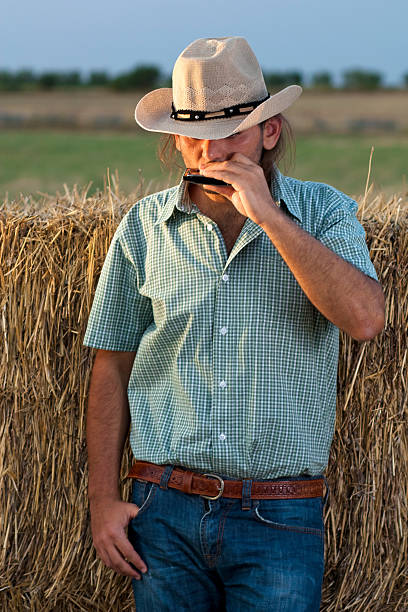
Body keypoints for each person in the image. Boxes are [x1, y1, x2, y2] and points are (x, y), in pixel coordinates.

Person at [83, 37, 385, 611]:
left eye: (233, 131)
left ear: (269, 132)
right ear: (176, 138)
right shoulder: (145, 227)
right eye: (195, 134)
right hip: (162, 511)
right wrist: (103, 499)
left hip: (279, 514)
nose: (213, 151)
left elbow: (366, 319)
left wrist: (268, 216)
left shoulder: (324, 212)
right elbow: (111, 362)